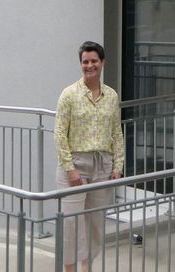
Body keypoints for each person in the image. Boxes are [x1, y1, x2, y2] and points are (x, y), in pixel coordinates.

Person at [54, 41, 125, 272]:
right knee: (72, 224)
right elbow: (59, 134)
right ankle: (69, 269)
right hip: (75, 164)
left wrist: (118, 166)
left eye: (94, 61)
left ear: (102, 63)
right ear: (80, 64)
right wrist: (70, 169)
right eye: (85, 61)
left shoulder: (111, 96)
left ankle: (87, 267)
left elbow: (116, 132)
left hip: (102, 166)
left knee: (95, 222)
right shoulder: (69, 95)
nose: (89, 65)